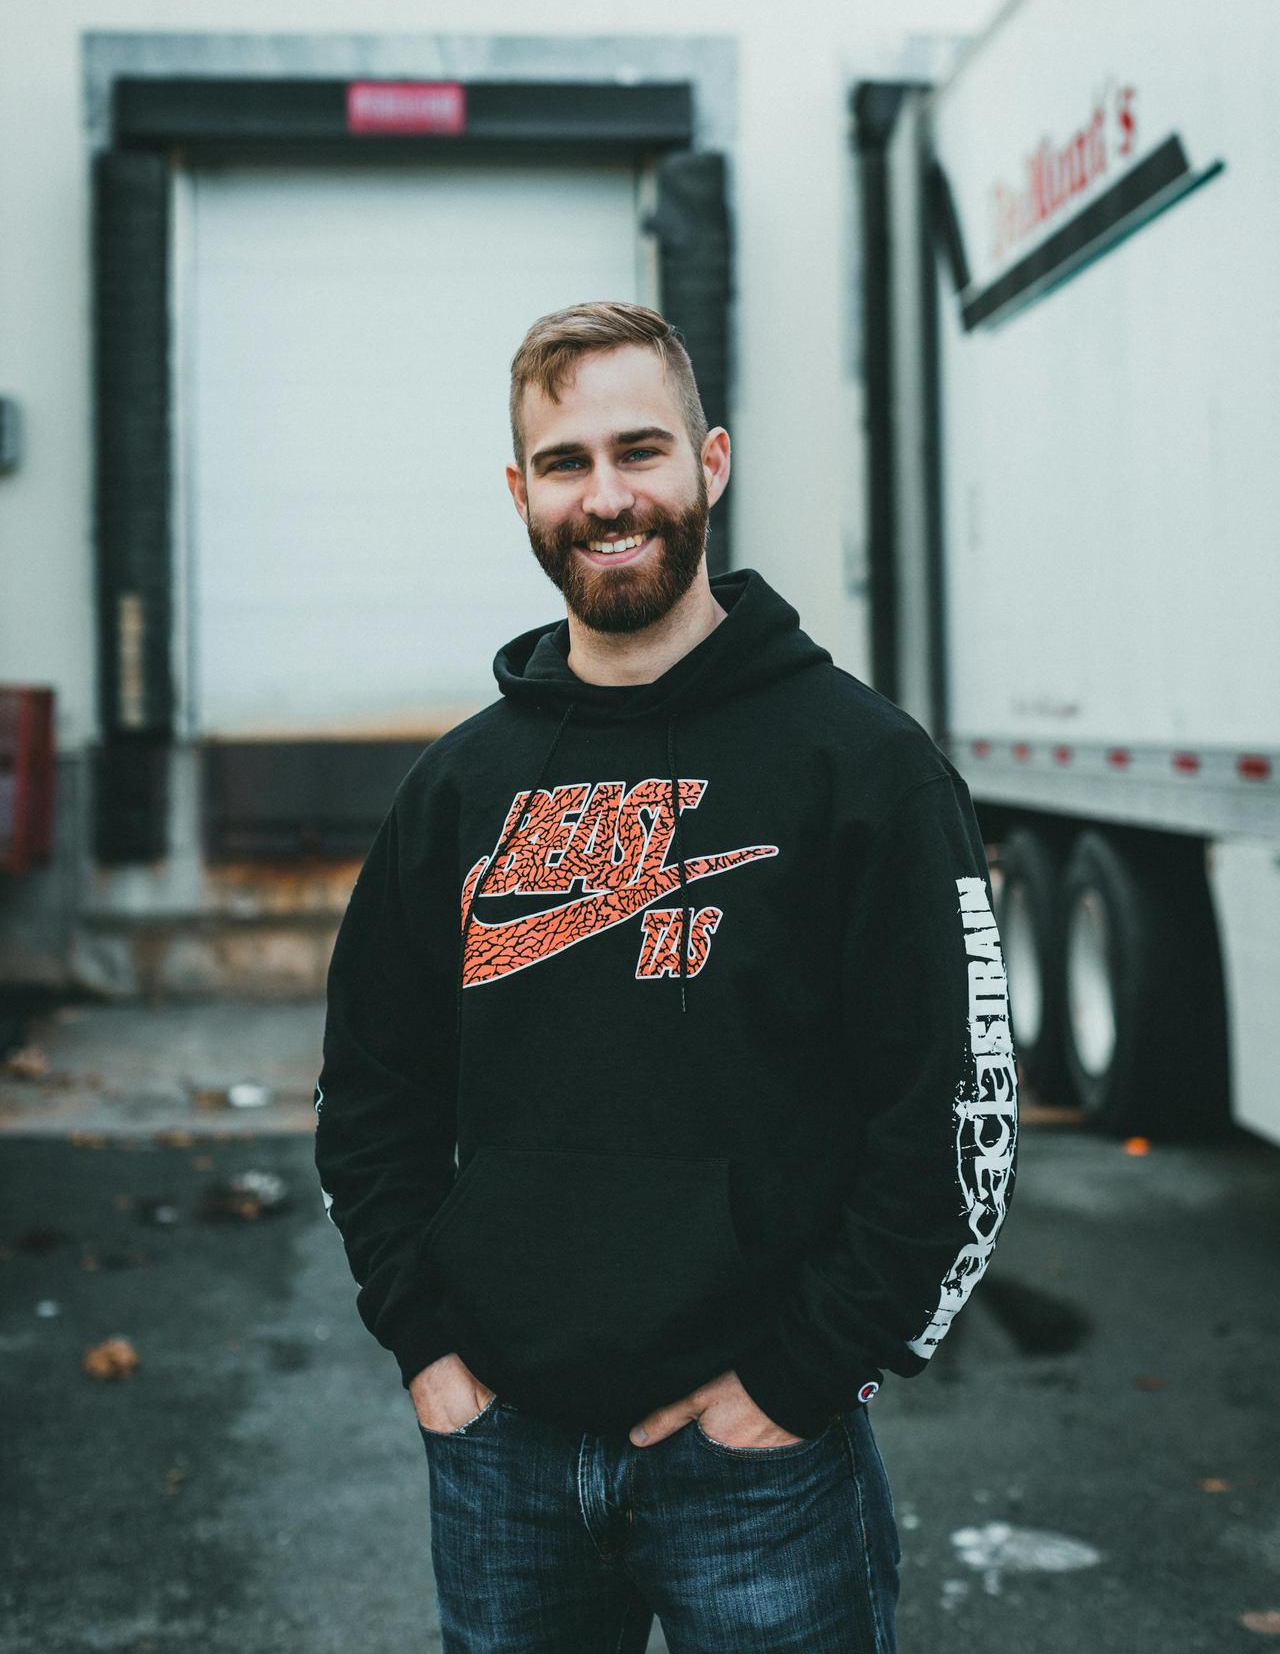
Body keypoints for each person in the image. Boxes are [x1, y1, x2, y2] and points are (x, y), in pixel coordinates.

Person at [313, 299, 1019, 1653]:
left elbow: (953, 1107)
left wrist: (803, 1380)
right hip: (501, 1456)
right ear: (520, 493)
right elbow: (372, 1090)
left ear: (713, 461)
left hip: (761, 1467)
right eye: (565, 463)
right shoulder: (459, 787)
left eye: (639, 450)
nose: (606, 497)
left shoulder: (863, 767)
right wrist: (428, 1349)